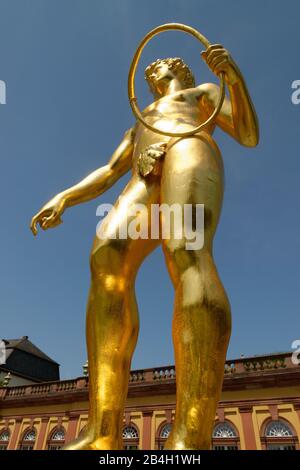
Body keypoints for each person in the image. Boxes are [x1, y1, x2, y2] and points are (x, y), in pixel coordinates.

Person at [31, 44, 259, 450]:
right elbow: (108, 170)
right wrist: (64, 196)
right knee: (105, 259)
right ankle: (103, 431)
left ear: (179, 71)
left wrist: (233, 77)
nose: (153, 73)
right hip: (144, 173)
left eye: (161, 67)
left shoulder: (202, 93)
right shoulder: (139, 120)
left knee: (187, 252)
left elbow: (247, 133)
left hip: (189, 147)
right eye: (148, 71)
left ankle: (192, 434)